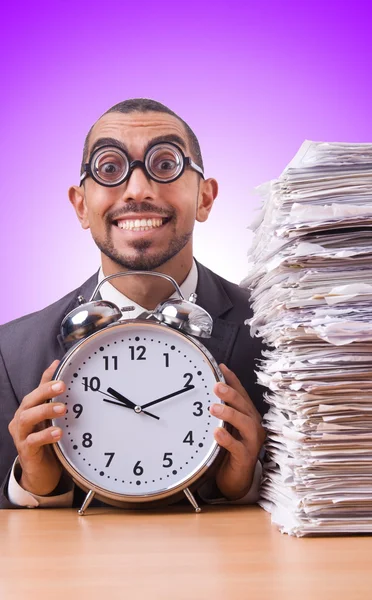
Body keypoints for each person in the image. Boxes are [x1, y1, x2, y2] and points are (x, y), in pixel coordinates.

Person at [0, 98, 266, 509]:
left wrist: (245, 484)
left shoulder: (279, 334)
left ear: (205, 198)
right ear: (80, 205)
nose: (138, 190)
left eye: (165, 165)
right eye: (109, 169)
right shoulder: (12, 354)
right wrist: (36, 484)